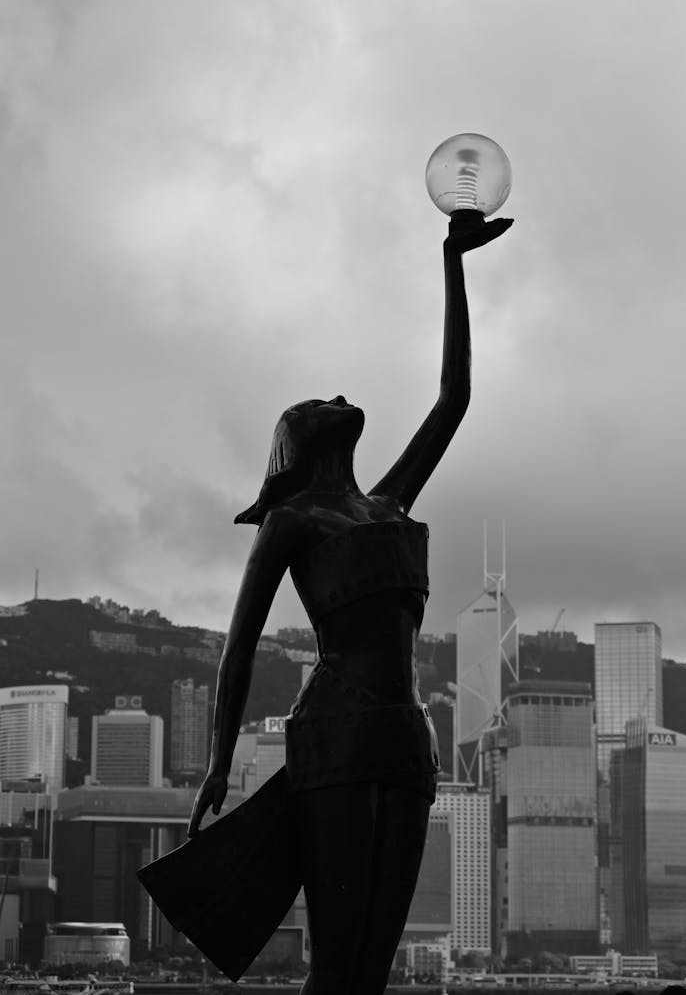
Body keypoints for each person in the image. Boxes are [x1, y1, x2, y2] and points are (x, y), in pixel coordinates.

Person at [187, 211, 512, 995]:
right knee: (338, 962)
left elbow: (454, 398)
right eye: (313, 402)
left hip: (406, 739)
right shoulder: (292, 521)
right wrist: (217, 765)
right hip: (333, 735)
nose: (335, 394)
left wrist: (453, 263)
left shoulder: (389, 504)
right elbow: (239, 646)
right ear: (294, 445)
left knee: (372, 966)